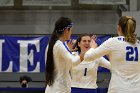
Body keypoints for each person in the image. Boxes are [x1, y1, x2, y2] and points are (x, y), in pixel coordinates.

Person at [84, 16, 140, 93]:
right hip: (136, 89)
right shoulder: (138, 44)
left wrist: (93, 47)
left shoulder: (113, 42)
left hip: (118, 88)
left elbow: (87, 57)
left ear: (118, 27)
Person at [45, 17, 84, 93]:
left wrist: (68, 51)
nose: (71, 32)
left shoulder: (53, 44)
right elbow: (74, 61)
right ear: (66, 30)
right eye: (71, 30)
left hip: (57, 87)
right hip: (59, 89)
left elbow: (61, 60)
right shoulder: (59, 45)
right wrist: (86, 52)